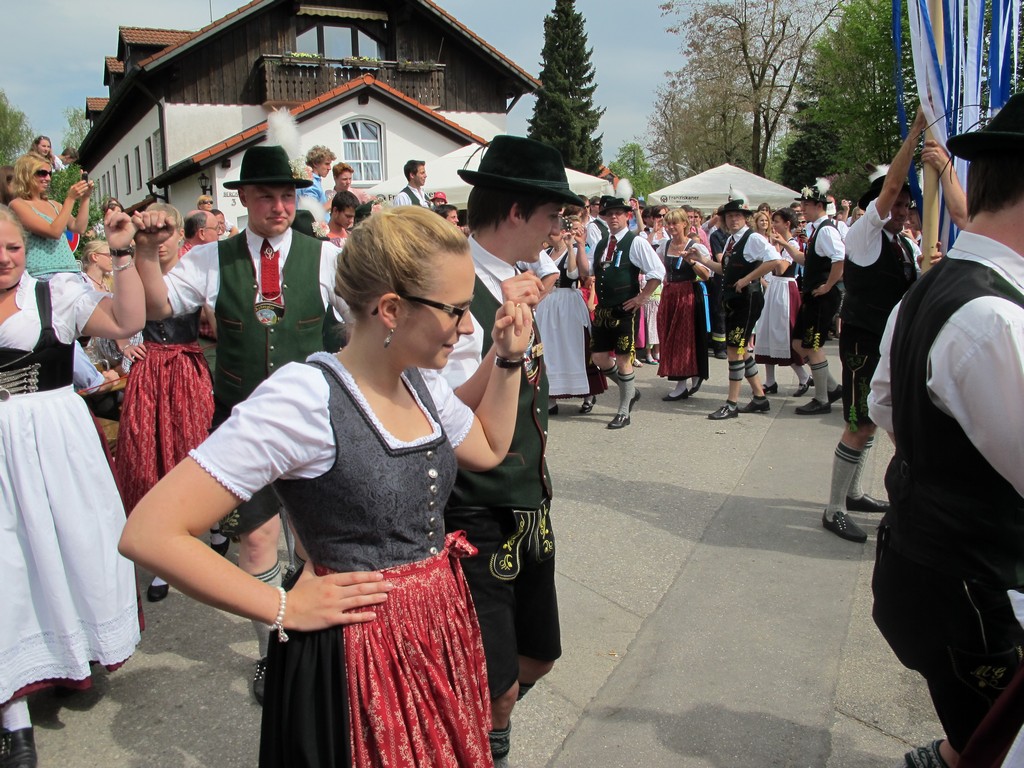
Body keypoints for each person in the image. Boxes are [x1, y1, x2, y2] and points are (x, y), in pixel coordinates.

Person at [121, 205, 530, 768]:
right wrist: (280, 606)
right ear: (391, 309)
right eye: (456, 311)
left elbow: (487, 447)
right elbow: (151, 531)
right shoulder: (303, 399)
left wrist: (506, 360)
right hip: (356, 655)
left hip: (437, 629)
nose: (466, 327)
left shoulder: (422, 383)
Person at [133, 143, 346, 704]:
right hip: (240, 420)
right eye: (267, 196)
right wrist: (146, 256)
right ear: (245, 198)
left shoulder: (325, 257)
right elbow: (156, 309)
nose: (279, 206)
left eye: (287, 195)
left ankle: (318, 639)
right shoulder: (209, 259)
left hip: (313, 423)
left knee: (314, 541)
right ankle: (271, 651)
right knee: (256, 543)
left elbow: (360, 325)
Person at [868, 93, 1024, 768]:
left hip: (934, 572)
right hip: (979, 594)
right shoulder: (995, 320)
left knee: (978, 741)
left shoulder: (939, 286)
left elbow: (884, 406)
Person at [434, 134, 583, 767]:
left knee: (537, 656)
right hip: (474, 510)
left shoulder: (517, 282)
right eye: (553, 215)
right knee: (496, 691)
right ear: (518, 212)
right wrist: (502, 348)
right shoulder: (452, 285)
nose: (559, 230)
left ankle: (459, 733)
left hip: (527, 502)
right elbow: (431, 413)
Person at [0, 203, 156, 768]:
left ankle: (65, 654)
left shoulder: (54, 295)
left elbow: (127, 322)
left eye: (13, 247)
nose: (4, 257)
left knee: (67, 548)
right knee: (7, 566)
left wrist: (121, 253)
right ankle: (13, 719)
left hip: (56, 440)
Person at [821, 109, 927, 545]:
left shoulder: (902, 243)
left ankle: (857, 492)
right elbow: (891, 185)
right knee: (861, 423)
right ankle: (833, 509)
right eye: (896, 203)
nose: (901, 209)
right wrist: (917, 131)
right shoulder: (865, 232)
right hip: (864, 341)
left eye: (906, 206)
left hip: (890, 341)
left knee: (881, 417)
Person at [115, 205, 215, 602]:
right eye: (154, 236)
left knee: (193, 449)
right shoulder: (135, 273)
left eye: (168, 233)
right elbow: (118, 319)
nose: (161, 242)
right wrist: (127, 348)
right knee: (147, 456)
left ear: (179, 237)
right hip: (150, 371)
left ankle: (213, 525)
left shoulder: (195, 274)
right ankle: (161, 560)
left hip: (186, 368)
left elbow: (214, 321)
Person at [693, 197, 779, 419]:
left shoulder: (753, 239)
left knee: (734, 350)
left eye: (737, 216)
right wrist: (700, 259)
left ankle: (731, 404)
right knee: (740, 349)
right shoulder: (732, 240)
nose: (733, 219)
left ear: (745, 218)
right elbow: (723, 269)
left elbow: (774, 260)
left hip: (747, 300)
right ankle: (759, 397)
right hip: (734, 300)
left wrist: (747, 279)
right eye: (729, 216)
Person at [589, 196, 665, 429]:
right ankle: (630, 389)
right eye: (609, 213)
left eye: (617, 213)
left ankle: (624, 410)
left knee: (623, 358)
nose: (613, 217)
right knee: (599, 358)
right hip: (603, 310)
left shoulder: (636, 242)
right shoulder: (602, 242)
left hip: (625, 309)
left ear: (627, 216)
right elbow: (591, 271)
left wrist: (642, 298)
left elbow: (657, 271)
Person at [790, 179, 845, 414]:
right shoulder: (815, 231)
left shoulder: (826, 231)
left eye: (807, 204)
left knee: (812, 345)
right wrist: (785, 243)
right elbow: (807, 261)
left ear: (819, 205)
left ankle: (822, 399)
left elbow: (840, 259)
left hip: (821, 297)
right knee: (797, 343)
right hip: (812, 296)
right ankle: (832, 388)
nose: (803, 208)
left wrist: (828, 286)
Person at [535, 215, 591, 413]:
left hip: (567, 302)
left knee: (572, 345)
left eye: (554, 232)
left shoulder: (572, 251)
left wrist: (570, 247)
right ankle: (552, 396)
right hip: (549, 303)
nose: (550, 235)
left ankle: (587, 393)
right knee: (549, 347)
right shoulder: (547, 252)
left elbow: (574, 275)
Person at [657, 208, 712, 401]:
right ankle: (685, 377)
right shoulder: (664, 246)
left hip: (688, 293)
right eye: (669, 223)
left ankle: (682, 384)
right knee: (669, 336)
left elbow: (706, 275)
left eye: (675, 223)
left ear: (684, 224)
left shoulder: (694, 246)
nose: (671, 227)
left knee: (685, 339)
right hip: (670, 294)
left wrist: (692, 262)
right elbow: (659, 269)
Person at [754, 207, 811, 395]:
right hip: (773, 288)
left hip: (786, 289)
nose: (773, 225)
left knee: (784, 333)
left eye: (776, 221)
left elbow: (781, 268)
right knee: (767, 331)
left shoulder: (792, 243)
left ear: (787, 224)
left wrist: (776, 248)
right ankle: (770, 381)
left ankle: (803, 377)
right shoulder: (775, 241)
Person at [9, 154, 93, 278]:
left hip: (70, 270)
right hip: (41, 273)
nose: (47, 178)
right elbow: (54, 232)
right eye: (42, 173)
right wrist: (70, 199)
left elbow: (79, 228)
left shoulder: (55, 205)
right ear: (26, 174)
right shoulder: (18, 205)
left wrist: (85, 197)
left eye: (49, 173)